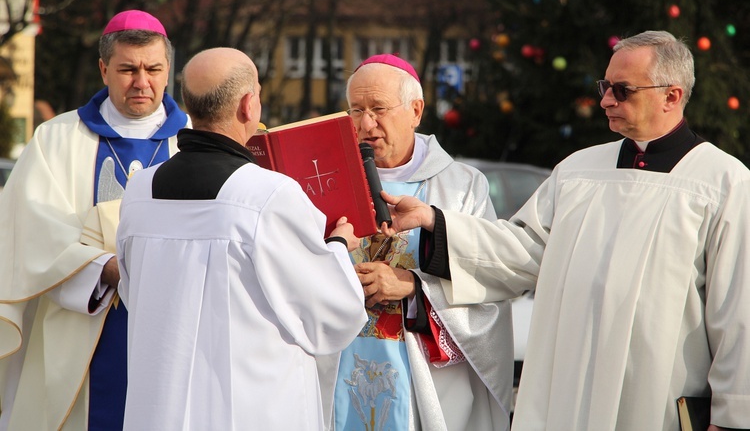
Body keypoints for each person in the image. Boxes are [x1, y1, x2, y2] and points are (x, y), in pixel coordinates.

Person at [381, 31, 750, 430]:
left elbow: (738, 311)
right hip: (569, 391)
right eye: (605, 87)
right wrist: (435, 221)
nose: (606, 99)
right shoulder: (578, 171)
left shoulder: (722, 183)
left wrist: (732, 415)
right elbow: (522, 250)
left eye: (622, 90)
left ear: (672, 96)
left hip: (657, 398)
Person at [116, 47, 367, 431]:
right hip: (250, 409)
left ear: (189, 108)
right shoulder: (267, 195)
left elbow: (137, 294)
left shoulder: (140, 191)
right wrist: (336, 245)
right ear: (249, 105)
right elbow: (331, 313)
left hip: (161, 406)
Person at [0, 10, 189, 430]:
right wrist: (104, 268)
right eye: (128, 69)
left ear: (168, 69)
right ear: (104, 69)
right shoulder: (56, 139)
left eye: (154, 69)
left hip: (175, 326)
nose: (142, 82)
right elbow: (30, 229)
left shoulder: (193, 141)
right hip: (81, 327)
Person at [319, 54, 513, 431]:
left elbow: (490, 288)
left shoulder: (460, 186)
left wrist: (411, 289)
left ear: (416, 110)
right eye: (355, 110)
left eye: (378, 108)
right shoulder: (327, 180)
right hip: (338, 370)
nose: (366, 124)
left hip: (424, 386)